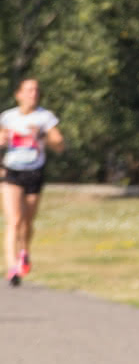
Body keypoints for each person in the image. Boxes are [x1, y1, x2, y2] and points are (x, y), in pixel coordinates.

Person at [2, 78, 65, 287]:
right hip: (11, 172)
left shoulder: (45, 118)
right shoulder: (8, 117)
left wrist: (43, 136)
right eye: (28, 90)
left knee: (27, 222)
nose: (33, 94)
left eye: (36, 90)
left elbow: (59, 145)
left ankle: (24, 251)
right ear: (18, 94)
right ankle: (12, 268)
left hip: (34, 173)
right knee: (15, 220)